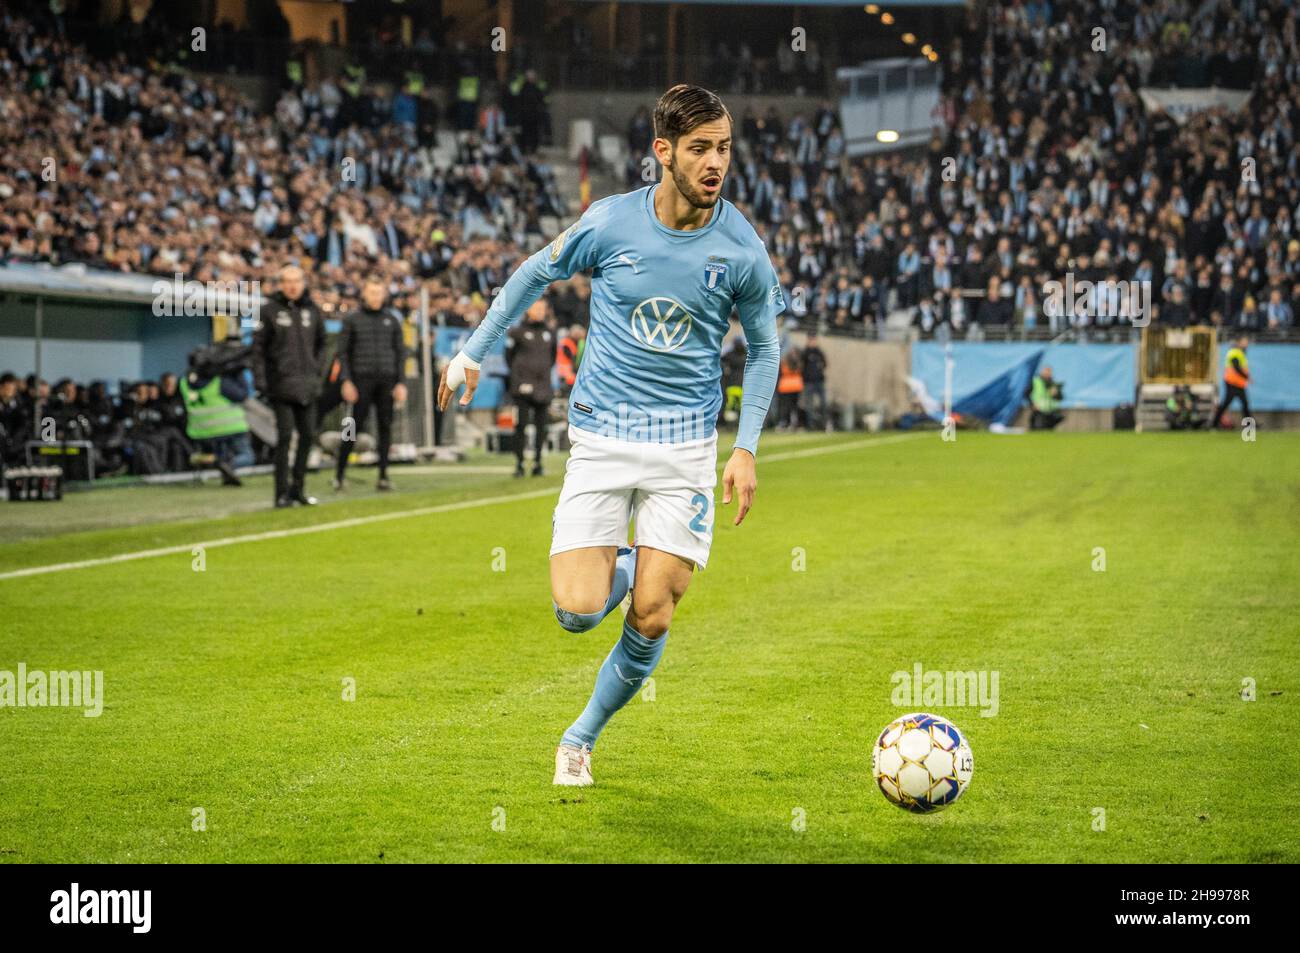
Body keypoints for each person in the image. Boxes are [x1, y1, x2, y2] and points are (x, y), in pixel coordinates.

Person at [438, 84, 783, 788]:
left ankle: (579, 737)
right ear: (663, 153)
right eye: (699, 149)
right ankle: (623, 565)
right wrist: (473, 351)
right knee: (577, 612)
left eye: (723, 148)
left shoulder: (743, 248)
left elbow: (766, 348)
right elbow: (534, 272)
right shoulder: (610, 224)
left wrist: (745, 445)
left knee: (654, 614)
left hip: (686, 446)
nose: (716, 162)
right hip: (602, 436)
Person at [253, 264, 326, 508]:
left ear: (303, 283)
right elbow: (258, 350)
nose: (293, 285)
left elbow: (322, 345)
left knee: (307, 437)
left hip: (307, 386)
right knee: (284, 438)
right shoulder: (268, 310)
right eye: (288, 281)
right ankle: (281, 494)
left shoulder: (312, 311)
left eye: (297, 280)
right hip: (281, 386)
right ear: (281, 284)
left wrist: (316, 372)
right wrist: (262, 381)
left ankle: (298, 489)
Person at [334, 276, 408, 491]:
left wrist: (401, 382)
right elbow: (343, 353)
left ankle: (383, 475)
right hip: (360, 382)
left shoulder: (392, 320)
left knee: (385, 427)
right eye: (372, 292)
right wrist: (346, 381)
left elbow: (400, 353)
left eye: (379, 292)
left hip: (387, 381)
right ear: (364, 294)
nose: (376, 297)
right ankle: (339, 473)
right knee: (351, 427)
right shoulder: (352, 320)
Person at [180, 357, 252, 486]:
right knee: (247, 456)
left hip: (201, 431)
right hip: (230, 427)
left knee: (221, 455)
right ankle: (227, 466)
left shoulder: (184, 383)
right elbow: (242, 395)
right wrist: (238, 373)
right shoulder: (218, 381)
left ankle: (226, 475)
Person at [505, 298, 556, 477]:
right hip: (522, 388)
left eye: (543, 308)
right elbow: (509, 358)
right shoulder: (517, 332)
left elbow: (552, 358)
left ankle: (538, 462)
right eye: (537, 308)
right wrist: (521, 378)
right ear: (528, 310)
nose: (541, 311)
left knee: (542, 426)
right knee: (521, 425)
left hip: (543, 387)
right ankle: (519, 463)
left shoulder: (550, 333)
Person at [1211, 334, 1251, 429]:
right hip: (1232, 383)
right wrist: (1246, 376)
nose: (1247, 344)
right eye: (1245, 341)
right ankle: (1214, 424)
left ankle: (1250, 425)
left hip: (1238, 383)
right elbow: (1236, 366)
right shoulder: (1235, 352)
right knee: (1227, 404)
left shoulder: (1239, 352)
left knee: (1244, 404)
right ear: (1239, 342)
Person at [801, 333, 829, 430]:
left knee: (824, 404)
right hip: (809, 382)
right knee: (809, 405)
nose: (813, 342)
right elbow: (801, 364)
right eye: (811, 340)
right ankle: (810, 425)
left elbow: (825, 364)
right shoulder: (805, 352)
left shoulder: (819, 352)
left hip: (819, 381)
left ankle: (824, 425)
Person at [1029, 365, 1064, 430]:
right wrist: (1032, 404)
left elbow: (1060, 397)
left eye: (1049, 371)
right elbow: (1027, 394)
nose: (1047, 373)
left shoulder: (1054, 383)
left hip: (1050, 411)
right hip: (1038, 411)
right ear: (1041, 372)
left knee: (1048, 430)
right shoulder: (1035, 381)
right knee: (1038, 429)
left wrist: (1056, 394)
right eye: (1045, 371)